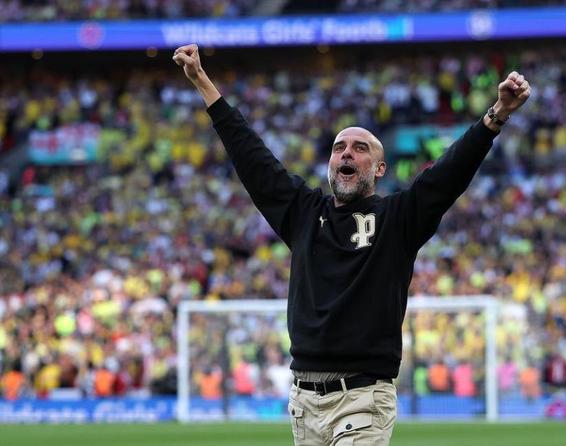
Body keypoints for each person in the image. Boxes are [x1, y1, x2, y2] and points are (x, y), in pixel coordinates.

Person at [173, 43, 531, 445]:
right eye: (339, 148)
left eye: (360, 149)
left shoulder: (398, 219)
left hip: (362, 399)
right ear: (330, 164)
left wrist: (496, 115)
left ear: (379, 169)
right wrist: (202, 82)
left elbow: (448, 174)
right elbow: (252, 157)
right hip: (303, 404)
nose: (346, 153)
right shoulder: (303, 213)